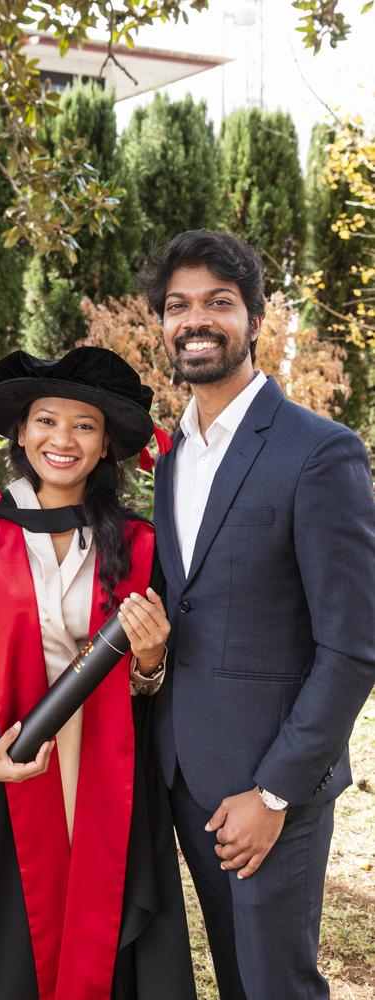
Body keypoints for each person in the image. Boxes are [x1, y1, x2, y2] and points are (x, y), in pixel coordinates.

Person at [137, 229, 375, 1000]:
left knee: (278, 986)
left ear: (255, 318)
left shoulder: (319, 452)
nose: (195, 320)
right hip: (186, 775)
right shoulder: (171, 457)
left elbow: (354, 646)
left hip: (271, 788)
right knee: (238, 979)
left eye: (218, 303)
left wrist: (274, 791)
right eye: (178, 306)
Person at [0, 346, 196, 1000]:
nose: (62, 439)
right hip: (9, 767)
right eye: (47, 420)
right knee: (10, 943)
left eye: (84, 425)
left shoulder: (137, 544)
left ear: (106, 446)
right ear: (21, 431)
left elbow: (146, 682)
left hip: (105, 770)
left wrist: (152, 660)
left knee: (104, 935)